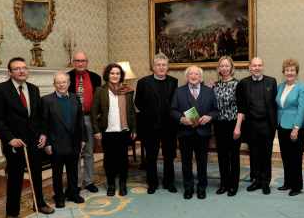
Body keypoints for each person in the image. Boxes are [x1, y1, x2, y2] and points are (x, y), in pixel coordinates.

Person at [0, 57, 54, 218]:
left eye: (24, 68)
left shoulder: (33, 89)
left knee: (36, 174)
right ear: (10, 72)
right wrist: (10, 139)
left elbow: (38, 116)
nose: (21, 71)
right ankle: (12, 212)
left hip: (34, 141)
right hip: (15, 143)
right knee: (15, 178)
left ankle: (39, 203)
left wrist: (43, 134)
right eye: (17, 68)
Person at [171, 65, 218, 200]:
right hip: (185, 133)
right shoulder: (179, 91)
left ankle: (202, 187)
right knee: (186, 162)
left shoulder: (209, 91)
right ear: (187, 77)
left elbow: (215, 110)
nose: (193, 76)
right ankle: (188, 187)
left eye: (196, 74)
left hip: (203, 133)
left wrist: (209, 117)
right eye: (190, 74)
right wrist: (181, 119)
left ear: (201, 77)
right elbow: (172, 110)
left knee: (202, 162)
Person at [135, 53, 178, 194]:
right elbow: (138, 103)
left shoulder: (174, 81)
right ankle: (152, 183)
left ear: (167, 67)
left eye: (164, 65)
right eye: (158, 65)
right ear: (153, 67)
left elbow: (175, 103)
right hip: (149, 126)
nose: (161, 67)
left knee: (169, 156)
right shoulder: (143, 82)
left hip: (169, 126)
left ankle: (169, 182)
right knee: (151, 157)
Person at [41, 72, 86, 208]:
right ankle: (59, 196)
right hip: (56, 143)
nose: (61, 85)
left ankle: (73, 193)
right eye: (58, 82)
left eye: (64, 82)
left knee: (73, 171)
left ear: (69, 83)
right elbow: (44, 123)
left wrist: (83, 139)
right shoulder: (46, 100)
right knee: (57, 173)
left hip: (74, 142)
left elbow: (80, 121)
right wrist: (47, 143)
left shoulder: (75, 98)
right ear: (54, 84)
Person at [91, 63, 136, 197]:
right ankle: (111, 184)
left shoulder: (127, 91)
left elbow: (131, 112)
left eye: (117, 73)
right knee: (109, 160)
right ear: (107, 75)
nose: (115, 76)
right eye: (112, 73)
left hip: (124, 130)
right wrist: (96, 131)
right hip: (108, 131)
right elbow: (94, 112)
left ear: (121, 76)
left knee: (123, 159)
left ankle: (122, 184)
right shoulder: (100, 90)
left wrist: (134, 128)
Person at [235, 57, 277, 195]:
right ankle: (256, 180)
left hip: (267, 125)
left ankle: (265, 182)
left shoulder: (271, 81)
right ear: (250, 68)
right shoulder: (243, 83)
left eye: (259, 65)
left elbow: (274, 105)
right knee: (254, 154)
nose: (257, 68)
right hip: (251, 125)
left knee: (266, 154)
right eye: (254, 65)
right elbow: (240, 105)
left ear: (262, 67)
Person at [68, 51, 102, 194]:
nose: (80, 63)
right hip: (72, 119)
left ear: (87, 62)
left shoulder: (95, 78)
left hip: (89, 118)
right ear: (73, 62)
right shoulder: (67, 77)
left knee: (88, 152)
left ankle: (88, 181)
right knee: (75, 152)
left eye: (83, 60)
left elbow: (99, 99)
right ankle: (74, 183)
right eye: (77, 61)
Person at [276, 59, 304, 196]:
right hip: (281, 125)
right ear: (284, 72)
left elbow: (302, 108)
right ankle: (287, 182)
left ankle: (296, 186)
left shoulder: (302, 87)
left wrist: (296, 127)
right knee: (285, 156)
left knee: (295, 157)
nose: (289, 72)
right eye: (287, 70)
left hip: (296, 127)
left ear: (296, 72)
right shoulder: (280, 86)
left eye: (292, 70)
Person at [212, 56, 241, 197]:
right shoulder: (215, 85)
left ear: (231, 68)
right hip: (219, 125)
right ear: (219, 69)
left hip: (233, 124)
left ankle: (233, 185)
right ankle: (224, 184)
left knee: (233, 156)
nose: (224, 68)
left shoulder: (238, 84)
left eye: (227, 66)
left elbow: (242, 108)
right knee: (222, 156)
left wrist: (238, 127)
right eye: (221, 66)